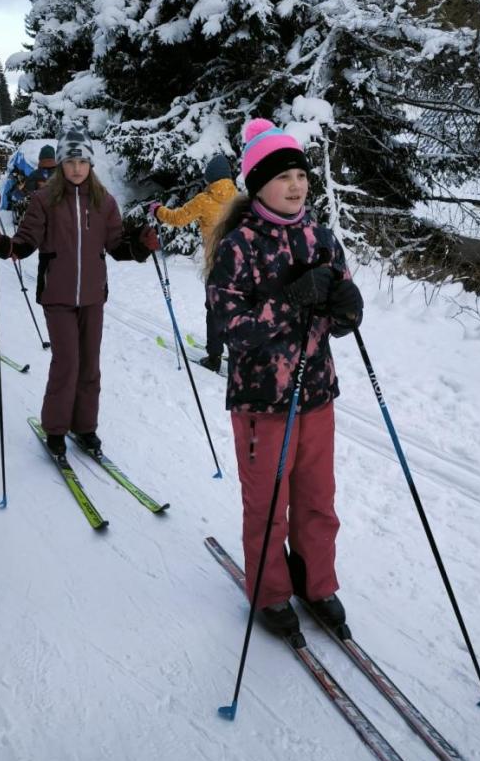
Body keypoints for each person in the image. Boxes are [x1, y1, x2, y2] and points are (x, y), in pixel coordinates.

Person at [205, 119, 364, 637]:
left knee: (318, 501)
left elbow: (338, 316)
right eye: (284, 176)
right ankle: (271, 592)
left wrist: (347, 310)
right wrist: (289, 300)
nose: (297, 185)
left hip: (317, 394)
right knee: (269, 506)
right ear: (257, 184)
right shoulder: (238, 246)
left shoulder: (321, 237)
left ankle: (317, 583)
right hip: (262, 404)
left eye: (301, 174)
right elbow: (230, 326)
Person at [0, 125, 159, 458]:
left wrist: (142, 246)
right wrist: (0, 244)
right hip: (57, 296)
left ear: (91, 164)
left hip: (93, 297)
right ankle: (57, 429)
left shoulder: (104, 202)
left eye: (83, 162)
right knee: (67, 363)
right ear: (61, 164)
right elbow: (24, 244)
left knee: (90, 365)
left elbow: (118, 247)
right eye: (70, 161)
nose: (77, 168)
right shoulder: (44, 200)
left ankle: (85, 427)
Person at [147, 153, 239, 371]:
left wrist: (158, 210)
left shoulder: (204, 200)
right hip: (241, 267)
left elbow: (177, 218)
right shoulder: (240, 199)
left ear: (210, 178)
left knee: (214, 311)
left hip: (217, 267)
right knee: (236, 311)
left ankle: (214, 358)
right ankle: (238, 359)